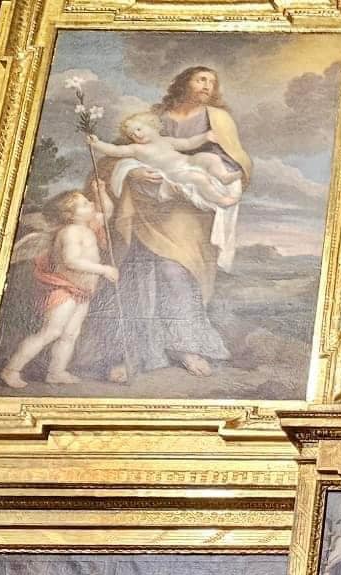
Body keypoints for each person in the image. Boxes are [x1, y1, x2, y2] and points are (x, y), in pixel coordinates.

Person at [80, 65, 252, 383]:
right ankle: (128, 353)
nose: (207, 85)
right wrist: (131, 171)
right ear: (183, 81)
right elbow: (113, 157)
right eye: (201, 79)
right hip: (144, 206)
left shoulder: (217, 119)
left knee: (177, 272)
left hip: (188, 210)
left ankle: (186, 346)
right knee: (135, 273)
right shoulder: (150, 119)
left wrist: (208, 175)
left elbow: (237, 160)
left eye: (212, 82)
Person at [0, 192, 121, 388]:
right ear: (70, 215)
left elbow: (107, 210)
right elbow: (71, 261)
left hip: (83, 290)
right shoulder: (70, 232)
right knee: (51, 331)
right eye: (83, 204)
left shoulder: (89, 226)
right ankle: (11, 370)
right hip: (64, 287)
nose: (90, 204)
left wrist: (100, 190)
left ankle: (56, 372)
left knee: (70, 334)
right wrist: (103, 269)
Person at [87, 114, 243, 209]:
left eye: (139, 129)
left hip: (188, 161)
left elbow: (188, 143)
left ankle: (223, 176)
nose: (136, 135)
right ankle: (220, 200)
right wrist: (97, 143)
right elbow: (115, 150)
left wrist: (204, 137)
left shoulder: (166, 141)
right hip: (175, 173)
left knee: (210, 158)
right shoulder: (136, 149)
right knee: (198, 178)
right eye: (132, 134)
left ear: (153, 126)